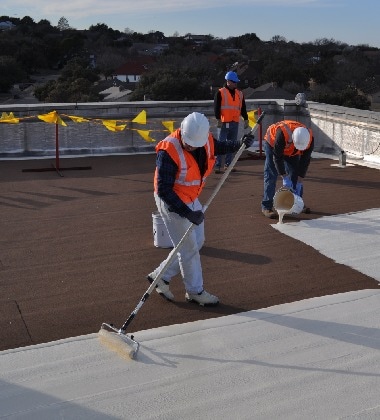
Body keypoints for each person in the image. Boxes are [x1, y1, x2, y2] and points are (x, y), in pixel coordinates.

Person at [147, 112, 254, 306]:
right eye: (188, 144)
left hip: (190, 197)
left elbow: (218, 147)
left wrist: (239, 144)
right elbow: (163, 189)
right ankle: (195, 291)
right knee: (188, 250)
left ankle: (160, 276)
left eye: (195, 144)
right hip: (172, 202)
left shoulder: (203, 139)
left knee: (197, 240)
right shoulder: (169, 150)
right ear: (182, 132)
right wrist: (187, 213)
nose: (191, 147)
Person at [261, 120, 314, 219]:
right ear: (293, 139)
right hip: (272, 144)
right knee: (271, 174)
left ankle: (297, 203)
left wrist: (300, 180)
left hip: (292, 151)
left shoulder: (309, 138)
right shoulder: (282, 133)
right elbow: (277, 157)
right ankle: (267, 206)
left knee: (294, 174)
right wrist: (284, 176)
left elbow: (305, 161)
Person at [214, 71, 249, 174]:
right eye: (234, 82)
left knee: (232, 145)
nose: (235, 84)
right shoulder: (220, 92)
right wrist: (218, 119)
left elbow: (243, 108)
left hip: (235, 122)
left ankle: (228, 165)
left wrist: (246, 118)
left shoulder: (240, 94)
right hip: (224, 122)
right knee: (220, 144)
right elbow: (216, 107)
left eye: (236, 82)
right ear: (228, 81)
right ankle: (218, 165)